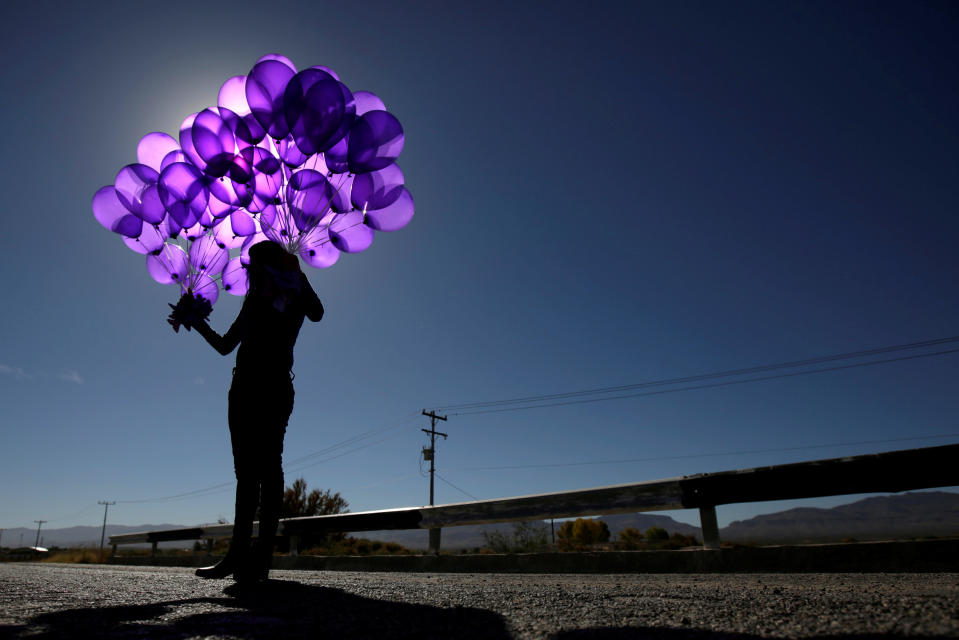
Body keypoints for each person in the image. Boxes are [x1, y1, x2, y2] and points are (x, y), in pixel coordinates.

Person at [170, 240, 323, 582]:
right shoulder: (253, 301)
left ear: (270, 265)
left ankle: (261, 559)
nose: (247, 268)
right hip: (242, 390)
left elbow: (318, 312)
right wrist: (196, 321)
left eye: (253, 263)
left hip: (275, 388)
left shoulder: (294, 296)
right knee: (246, 475)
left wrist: (297, 271)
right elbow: (226, 346)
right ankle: (237, 555)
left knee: (269, 469)